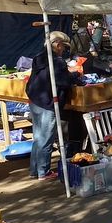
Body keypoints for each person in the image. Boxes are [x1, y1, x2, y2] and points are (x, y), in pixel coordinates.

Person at [25, 31, 77, 180]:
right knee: (46, 137)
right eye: (63, 47)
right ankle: (43, 172)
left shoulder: (39, 57)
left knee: (38, 137)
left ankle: (35, 170)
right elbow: (64, 82)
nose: (64, 50)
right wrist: (76, 76)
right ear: (58, 45)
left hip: (35, 100)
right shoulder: (57, 61)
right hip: (48, 101)